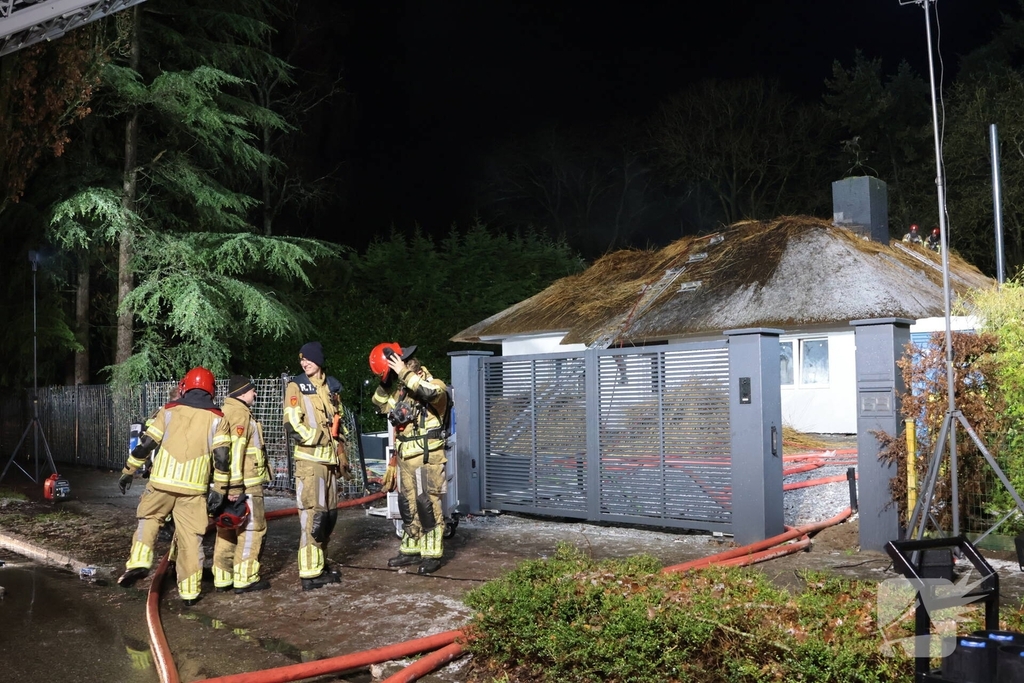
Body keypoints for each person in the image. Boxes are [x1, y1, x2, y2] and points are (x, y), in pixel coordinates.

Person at [116, 366, 231, 606]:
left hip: (161, 484)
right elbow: (221, 458)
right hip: (193, 490)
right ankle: (189, 594)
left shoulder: (167, 411)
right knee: (190, 539)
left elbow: (146, 444)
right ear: (212, 390)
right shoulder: (218, 419)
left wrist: (128, 471)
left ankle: (139, 562)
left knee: (149, 519)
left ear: (184, 386)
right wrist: (219, 490)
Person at [372, 344, 450, 575]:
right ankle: (410, 548)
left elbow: (431, 394)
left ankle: (431, 553)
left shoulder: (434, 385)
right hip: (405, 457)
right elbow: (378, 404)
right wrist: (385, 383)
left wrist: (404, 374)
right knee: (407, 506)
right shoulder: (401, 392)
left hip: (427, 457)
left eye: (402, 364)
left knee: (427, 505)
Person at [283, 341, 346, 590]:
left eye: (307, 359)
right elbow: (291, 422)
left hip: (328, 462)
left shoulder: (331, 387)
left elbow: (339, 424)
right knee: (313, 517)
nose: (303, 363)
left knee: (328, 517)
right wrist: (316, 437)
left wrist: (342, 454)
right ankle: (309, 573)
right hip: (310, 462)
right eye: (301, 360)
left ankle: (319, 564)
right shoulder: (296, 386)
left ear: (319, 360)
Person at [212, 375, 271, 594]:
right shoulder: (240, 413)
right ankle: (245, 578)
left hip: (228, 484)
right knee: (252, 529)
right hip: (246, 483)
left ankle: (222, 577)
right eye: (252, 390)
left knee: (226, 529)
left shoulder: (226, 411)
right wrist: (236, 487)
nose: (255, 394)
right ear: (243, 392)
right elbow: (235, 451)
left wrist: (226, 486)